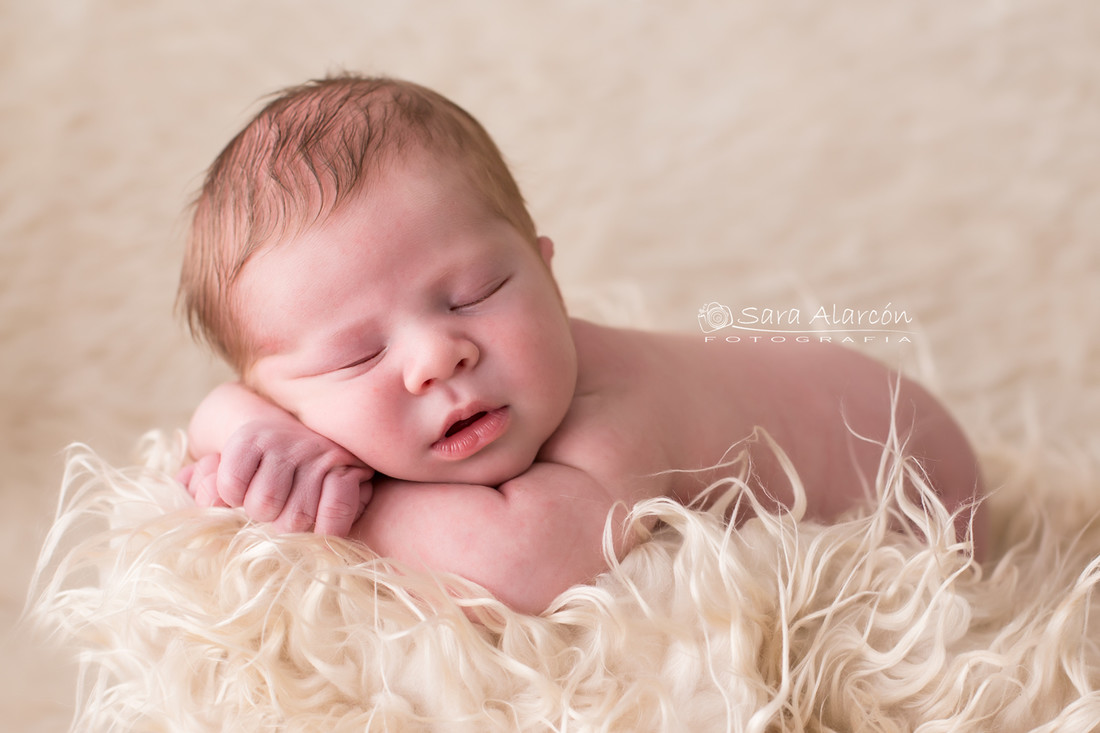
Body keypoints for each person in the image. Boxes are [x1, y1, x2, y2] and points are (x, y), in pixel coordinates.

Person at [177, 74, 986, 614]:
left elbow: (520, 562)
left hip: (915, 474)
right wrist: (247, 432)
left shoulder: (615, 410)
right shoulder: (322, 393)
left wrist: (342, 503)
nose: (438, 356)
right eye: (357, 356)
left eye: (477, 294)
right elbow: (232, 413)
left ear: (549, 275)